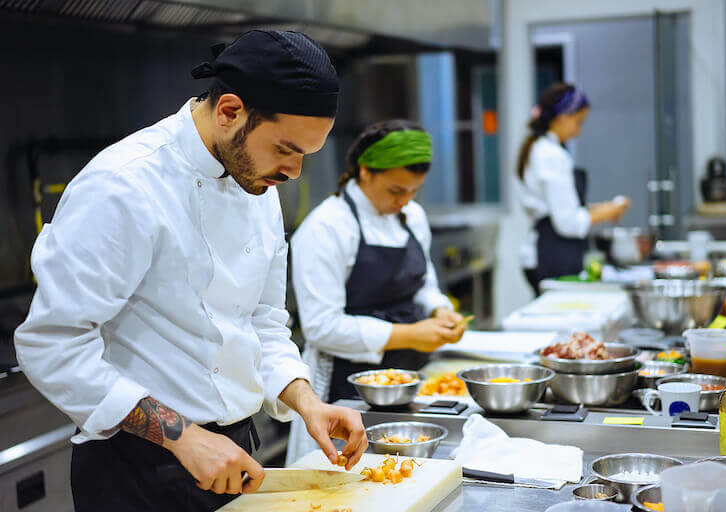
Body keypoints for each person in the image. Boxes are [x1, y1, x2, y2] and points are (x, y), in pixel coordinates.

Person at [14, 30, 367, 512]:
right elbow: (51, 344)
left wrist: (307, 401)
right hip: (138, 469)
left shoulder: (255, 179)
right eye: (286, 149)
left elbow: (260, 320)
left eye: (305, 154)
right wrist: (185, 438)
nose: (294, 172)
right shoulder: (124, 186)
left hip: (236, 456)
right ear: (229, 111)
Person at [286, 119, 466, 463]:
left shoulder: (411, 216)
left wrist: (439, 310)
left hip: (409, 378)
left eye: (414, 191)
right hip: (344, 389)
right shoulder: (327, 228)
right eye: (396, 190)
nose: (405, 201)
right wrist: (409, 334)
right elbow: (322, 327)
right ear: (365, 171)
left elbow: (424, 284)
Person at [516, 82, 630, 295]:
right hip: (552, 256)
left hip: (546, 253)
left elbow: (559, 206)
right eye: (578, 122)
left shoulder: (538, 148)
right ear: (561, 117)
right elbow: (567, 222)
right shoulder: (551, 155)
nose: (579, 131)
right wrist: (606, 212)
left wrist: (600, 208)